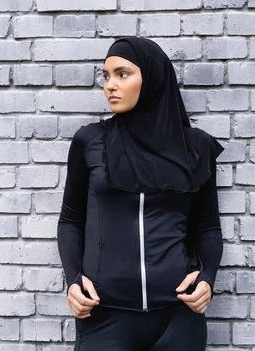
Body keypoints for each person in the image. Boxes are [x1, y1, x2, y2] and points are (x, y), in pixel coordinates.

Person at [56, 37, 225, 351]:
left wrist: (208, 277)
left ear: (152, 78)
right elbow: (71, 220)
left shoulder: (195, 148)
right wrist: (73, 279)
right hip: (104, 316)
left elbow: (208, 228)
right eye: (106, 76)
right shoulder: (91, 141)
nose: (110, 86)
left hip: (179, 316)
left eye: (122, 74)